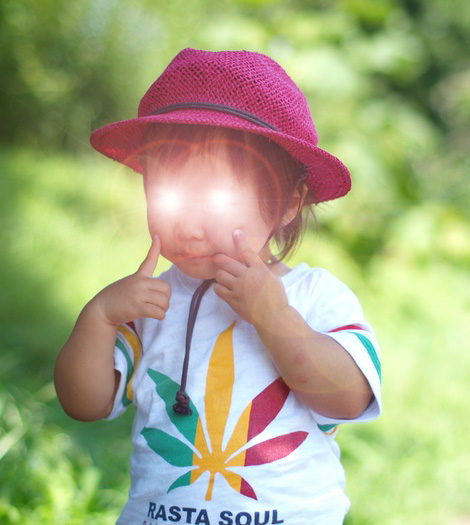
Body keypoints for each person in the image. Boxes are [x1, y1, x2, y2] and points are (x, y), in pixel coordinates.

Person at [54, 48, 382, 524]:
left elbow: (347, 398)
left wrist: (275, 317)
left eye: (217, 195)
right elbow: (83, 403)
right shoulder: (150, 305)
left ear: (289, 203)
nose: (188, 221)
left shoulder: (314, 297)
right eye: (168, 191)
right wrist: (99, 318)